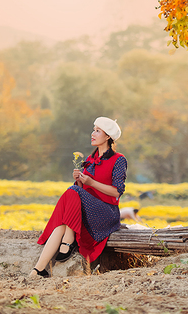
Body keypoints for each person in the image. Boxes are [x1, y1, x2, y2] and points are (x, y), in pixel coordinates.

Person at [29, 117, 127, 278]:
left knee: (71, 191)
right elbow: (81, 192)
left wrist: (91, 182)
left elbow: (117, 192)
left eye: (97, 131)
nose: (92, 134)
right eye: (93, 129)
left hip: (106, 212)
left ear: (108, 136)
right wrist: (80, 181)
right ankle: (37, 270)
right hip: (87, 210)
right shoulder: (90, 159)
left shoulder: (119, 160)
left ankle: (69, 239)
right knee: (71, 196)